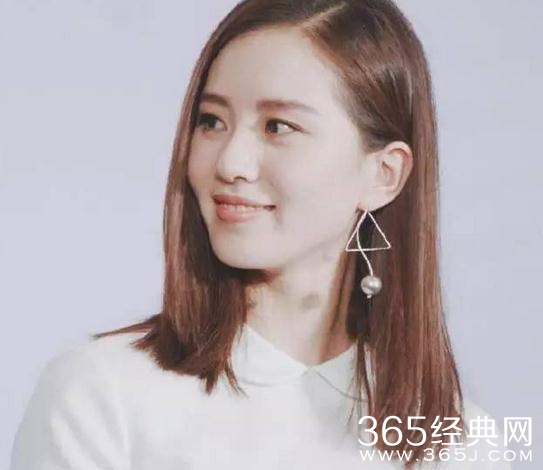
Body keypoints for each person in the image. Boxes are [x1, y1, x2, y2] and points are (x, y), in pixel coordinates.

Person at [9, 0, 512, 469]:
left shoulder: (461, 442)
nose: (230, 162)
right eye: (212, 121)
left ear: (384, 174)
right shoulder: (100, 397)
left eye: (279, 127)